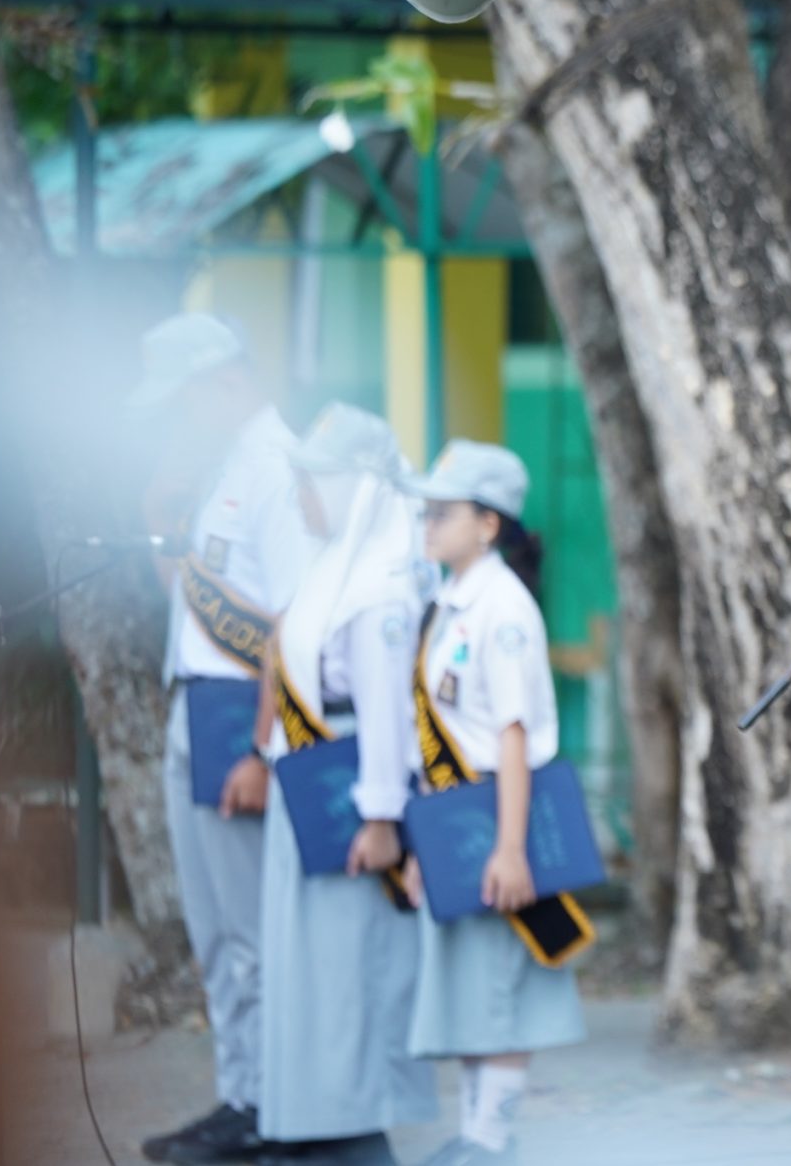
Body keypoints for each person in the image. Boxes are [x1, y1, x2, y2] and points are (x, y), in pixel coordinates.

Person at [134, 312, 319, 1166]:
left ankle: (276, 1108)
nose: (174, 419)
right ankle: (242, 1095)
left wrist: (259, 746)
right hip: (194, 702)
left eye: (179, 401)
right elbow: (196, 596)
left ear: (219, 381)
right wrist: (163, 523)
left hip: (237, 715)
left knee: (250, 932)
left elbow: (294, 621)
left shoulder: (277, 466)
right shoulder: (223, 467)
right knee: (216, 933)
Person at [254, 405, 437, 1165]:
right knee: (310, 967)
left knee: (349, 971)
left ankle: (352, 1132)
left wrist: (383, 817)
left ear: (353, 488)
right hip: (314, 783)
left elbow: (388, 713)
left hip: (355, 798)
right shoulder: (340, 570)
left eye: (310, 482)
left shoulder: (380, 589)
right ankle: (309, 1122)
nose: (299, 498)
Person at [404, 440, 586, 1166]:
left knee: (503, 985)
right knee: (472, 983)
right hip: (458, 816)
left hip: (496, 815)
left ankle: (492, 1137)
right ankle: (477, 1135)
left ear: (487, 523)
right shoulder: (452, 601)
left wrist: (510, 849)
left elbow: (512, 736)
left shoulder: (501, 608)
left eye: (441, 513)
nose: (428, 524)